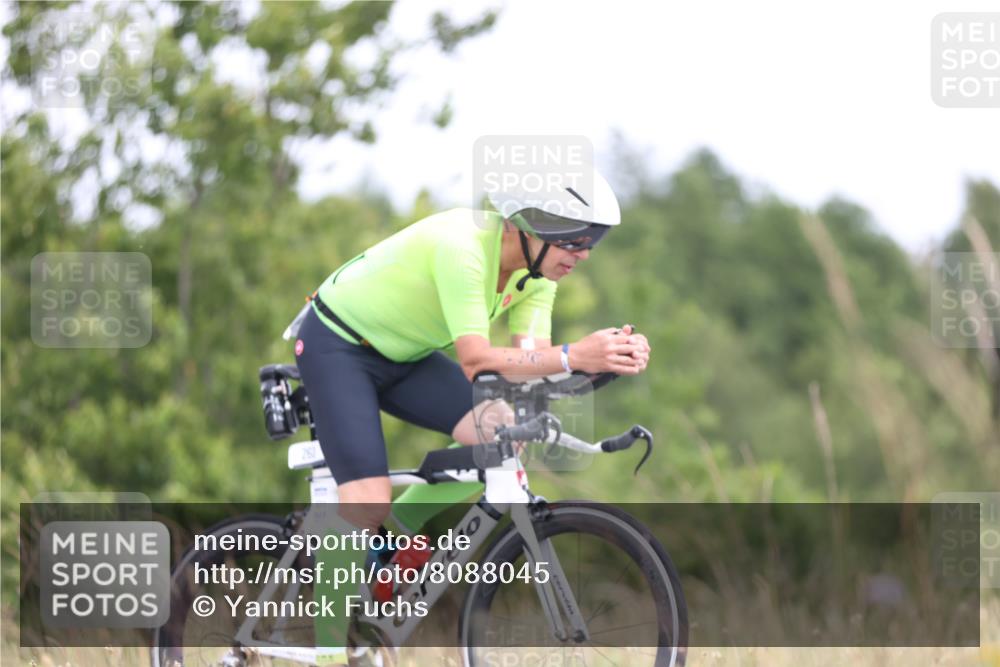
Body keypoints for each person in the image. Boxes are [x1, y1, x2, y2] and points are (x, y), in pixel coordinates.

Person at [291, 164, 650, 663]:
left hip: (406, 355)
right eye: (576, 239)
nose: (584, 253)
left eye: (593, 241)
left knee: (503, 433)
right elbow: (477, 361)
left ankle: (384, 546)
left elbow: (531, 366)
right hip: (338, 345)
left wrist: (602, 363)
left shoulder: (536, 275)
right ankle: (330, 654)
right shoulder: (464, 247)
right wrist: (575, 354)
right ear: (531, 226)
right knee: (365, 500)